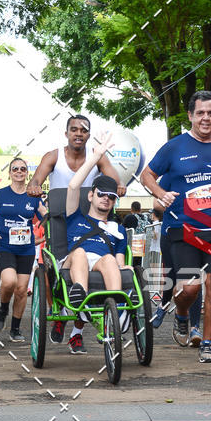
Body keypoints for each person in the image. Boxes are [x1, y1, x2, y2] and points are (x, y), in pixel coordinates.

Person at [140, 90, 211, 363]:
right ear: (190, 115)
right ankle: (180, 316)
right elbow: (147, 174)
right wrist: (159, 193)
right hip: (182, 226)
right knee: (189, 288)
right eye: (200, 113)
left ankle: (208, 343)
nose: (205, 118)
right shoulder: (175, 147)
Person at [26, 114, 125, 345]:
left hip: (94, 212)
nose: (78, 133)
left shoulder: (97, 157)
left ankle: (95, 321)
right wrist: (33, 187)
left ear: (89, 135)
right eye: (74, 129)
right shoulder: (54, 156)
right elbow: (36, 180)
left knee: (106, 257)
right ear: (67, 133)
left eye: (83, 130)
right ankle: (60, 311)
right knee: (52, 268)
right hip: (65, 212)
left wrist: (116, 186)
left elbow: (113, 179)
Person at [64, 132, 131, 353]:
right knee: (81, 253)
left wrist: (125, 268)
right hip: (74, 261)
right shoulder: (75, 216)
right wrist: (97, 156)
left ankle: (116, 312)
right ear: (91, 195)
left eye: (111, 197)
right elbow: (74, 186)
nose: (106, 199)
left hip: (103, 263)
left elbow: (118, 260)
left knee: (111, 259)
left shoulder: (118, 229)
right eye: (102, 194)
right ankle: (80, 297)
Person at [0, 158, 46, 342]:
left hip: (26, 249)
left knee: (21, 290)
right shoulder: (1, 194)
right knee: (9, 282)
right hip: (5, 247)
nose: (19, 171)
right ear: (10, 173)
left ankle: (15, 329)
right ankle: (3, 308)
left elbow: (45, 215)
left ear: (27, 173)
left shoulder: (33, 197)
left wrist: (50, 220)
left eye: (23, 169)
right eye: (15, 169)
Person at [150, 185, 203, 346]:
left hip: (194, 233)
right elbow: (156, 205)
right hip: (171, 233)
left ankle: (194, 326)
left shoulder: (202, 176)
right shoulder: (171, 174)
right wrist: (167, 200)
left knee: (193, 279)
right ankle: (165, 305)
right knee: (171, 275)